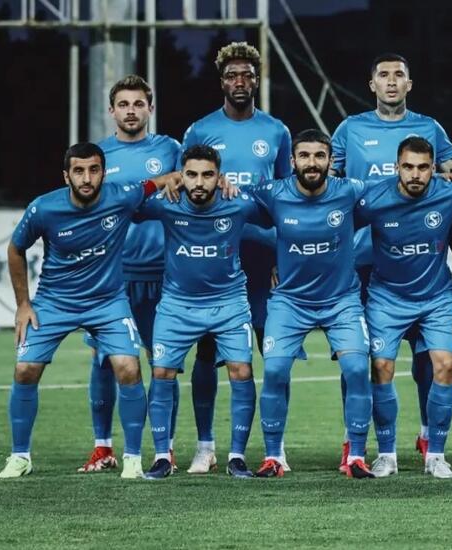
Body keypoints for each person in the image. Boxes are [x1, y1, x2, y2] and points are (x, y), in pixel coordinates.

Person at [331, 52, 452, 472]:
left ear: (409, 83)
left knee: (430, 359)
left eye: (398, 75)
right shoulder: (350, 129)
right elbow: (328, 190)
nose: (391, 81)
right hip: (363, 264)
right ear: (372, 84)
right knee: (360, 361)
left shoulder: (430, 129)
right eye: (383, 75)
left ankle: (428, 437)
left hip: (422, 261)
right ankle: (355, 440)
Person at [0, 142, 178, 479]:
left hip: (108, 302)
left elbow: (160, 181)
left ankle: (133, 459)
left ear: (103, 173)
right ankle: (20, 456)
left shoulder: (122, 195)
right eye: (78, 171)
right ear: (66, 176)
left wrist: (190, 177)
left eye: (94, 170)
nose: (86, 178)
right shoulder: (43, 208)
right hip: (55, 301)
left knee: (128, 368)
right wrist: (23, 304)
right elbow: (15, 249)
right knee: (25, 370)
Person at [180, 41, 292, 473]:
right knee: (207, 352)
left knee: (271, 356)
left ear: (257, 80)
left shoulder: (276, 132)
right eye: (232, 76)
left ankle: (274, 448)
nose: (239, 82)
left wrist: (283, 255)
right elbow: (186, 194)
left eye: (247, 75)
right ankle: (205, 445)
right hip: (216, 259)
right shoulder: (199, 131)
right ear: (221, 81)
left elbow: (285, 199)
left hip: (263, 259)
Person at [135, 145, 267, 479]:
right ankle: (162, 457)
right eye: (191, 174)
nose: (198, 182)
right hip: (177, 304)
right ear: (181, 175)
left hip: (229, 302)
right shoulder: (168, 202)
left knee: (241, 371)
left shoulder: (238, 202)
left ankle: (236, 457)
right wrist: (160, 181)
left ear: (220, 178)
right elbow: (129, 206)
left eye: (207, 175)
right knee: (162, 372)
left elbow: (275, 215)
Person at [252, 129, 374, 479]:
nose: (312, 163)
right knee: (274, 371)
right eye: (304, 156)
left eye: (319, 156)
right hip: (290, 301)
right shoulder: (273, 193)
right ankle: (274, 456)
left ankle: (356, 455)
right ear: (292, 161)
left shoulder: (349, 190)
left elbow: (393, 193)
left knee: (356, 369)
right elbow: (234, 205)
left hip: (341, 301)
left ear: (331, 161)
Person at [78, 75, 182, 474]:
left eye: (139, 104)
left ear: (150, 108)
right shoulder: (99, 156)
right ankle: (103, 447)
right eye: (123, 104)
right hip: (112, 276)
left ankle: (164, 448)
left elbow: (191, 189)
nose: (131, 111)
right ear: (112, 110)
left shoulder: (170, 149)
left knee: (163, 364)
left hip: (164, 274)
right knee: (104, 361)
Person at [355, 136, 452, 479]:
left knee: (446, 366)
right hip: (386, 297)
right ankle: (386, 455)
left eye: (423, 167)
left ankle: (436, 455)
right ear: (396, 167)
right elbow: (337, 228)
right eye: (408, 167)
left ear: (434, 168)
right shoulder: (373, 199)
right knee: (381, 367)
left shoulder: (449, 194)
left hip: (436, 297)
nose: (415, 174)